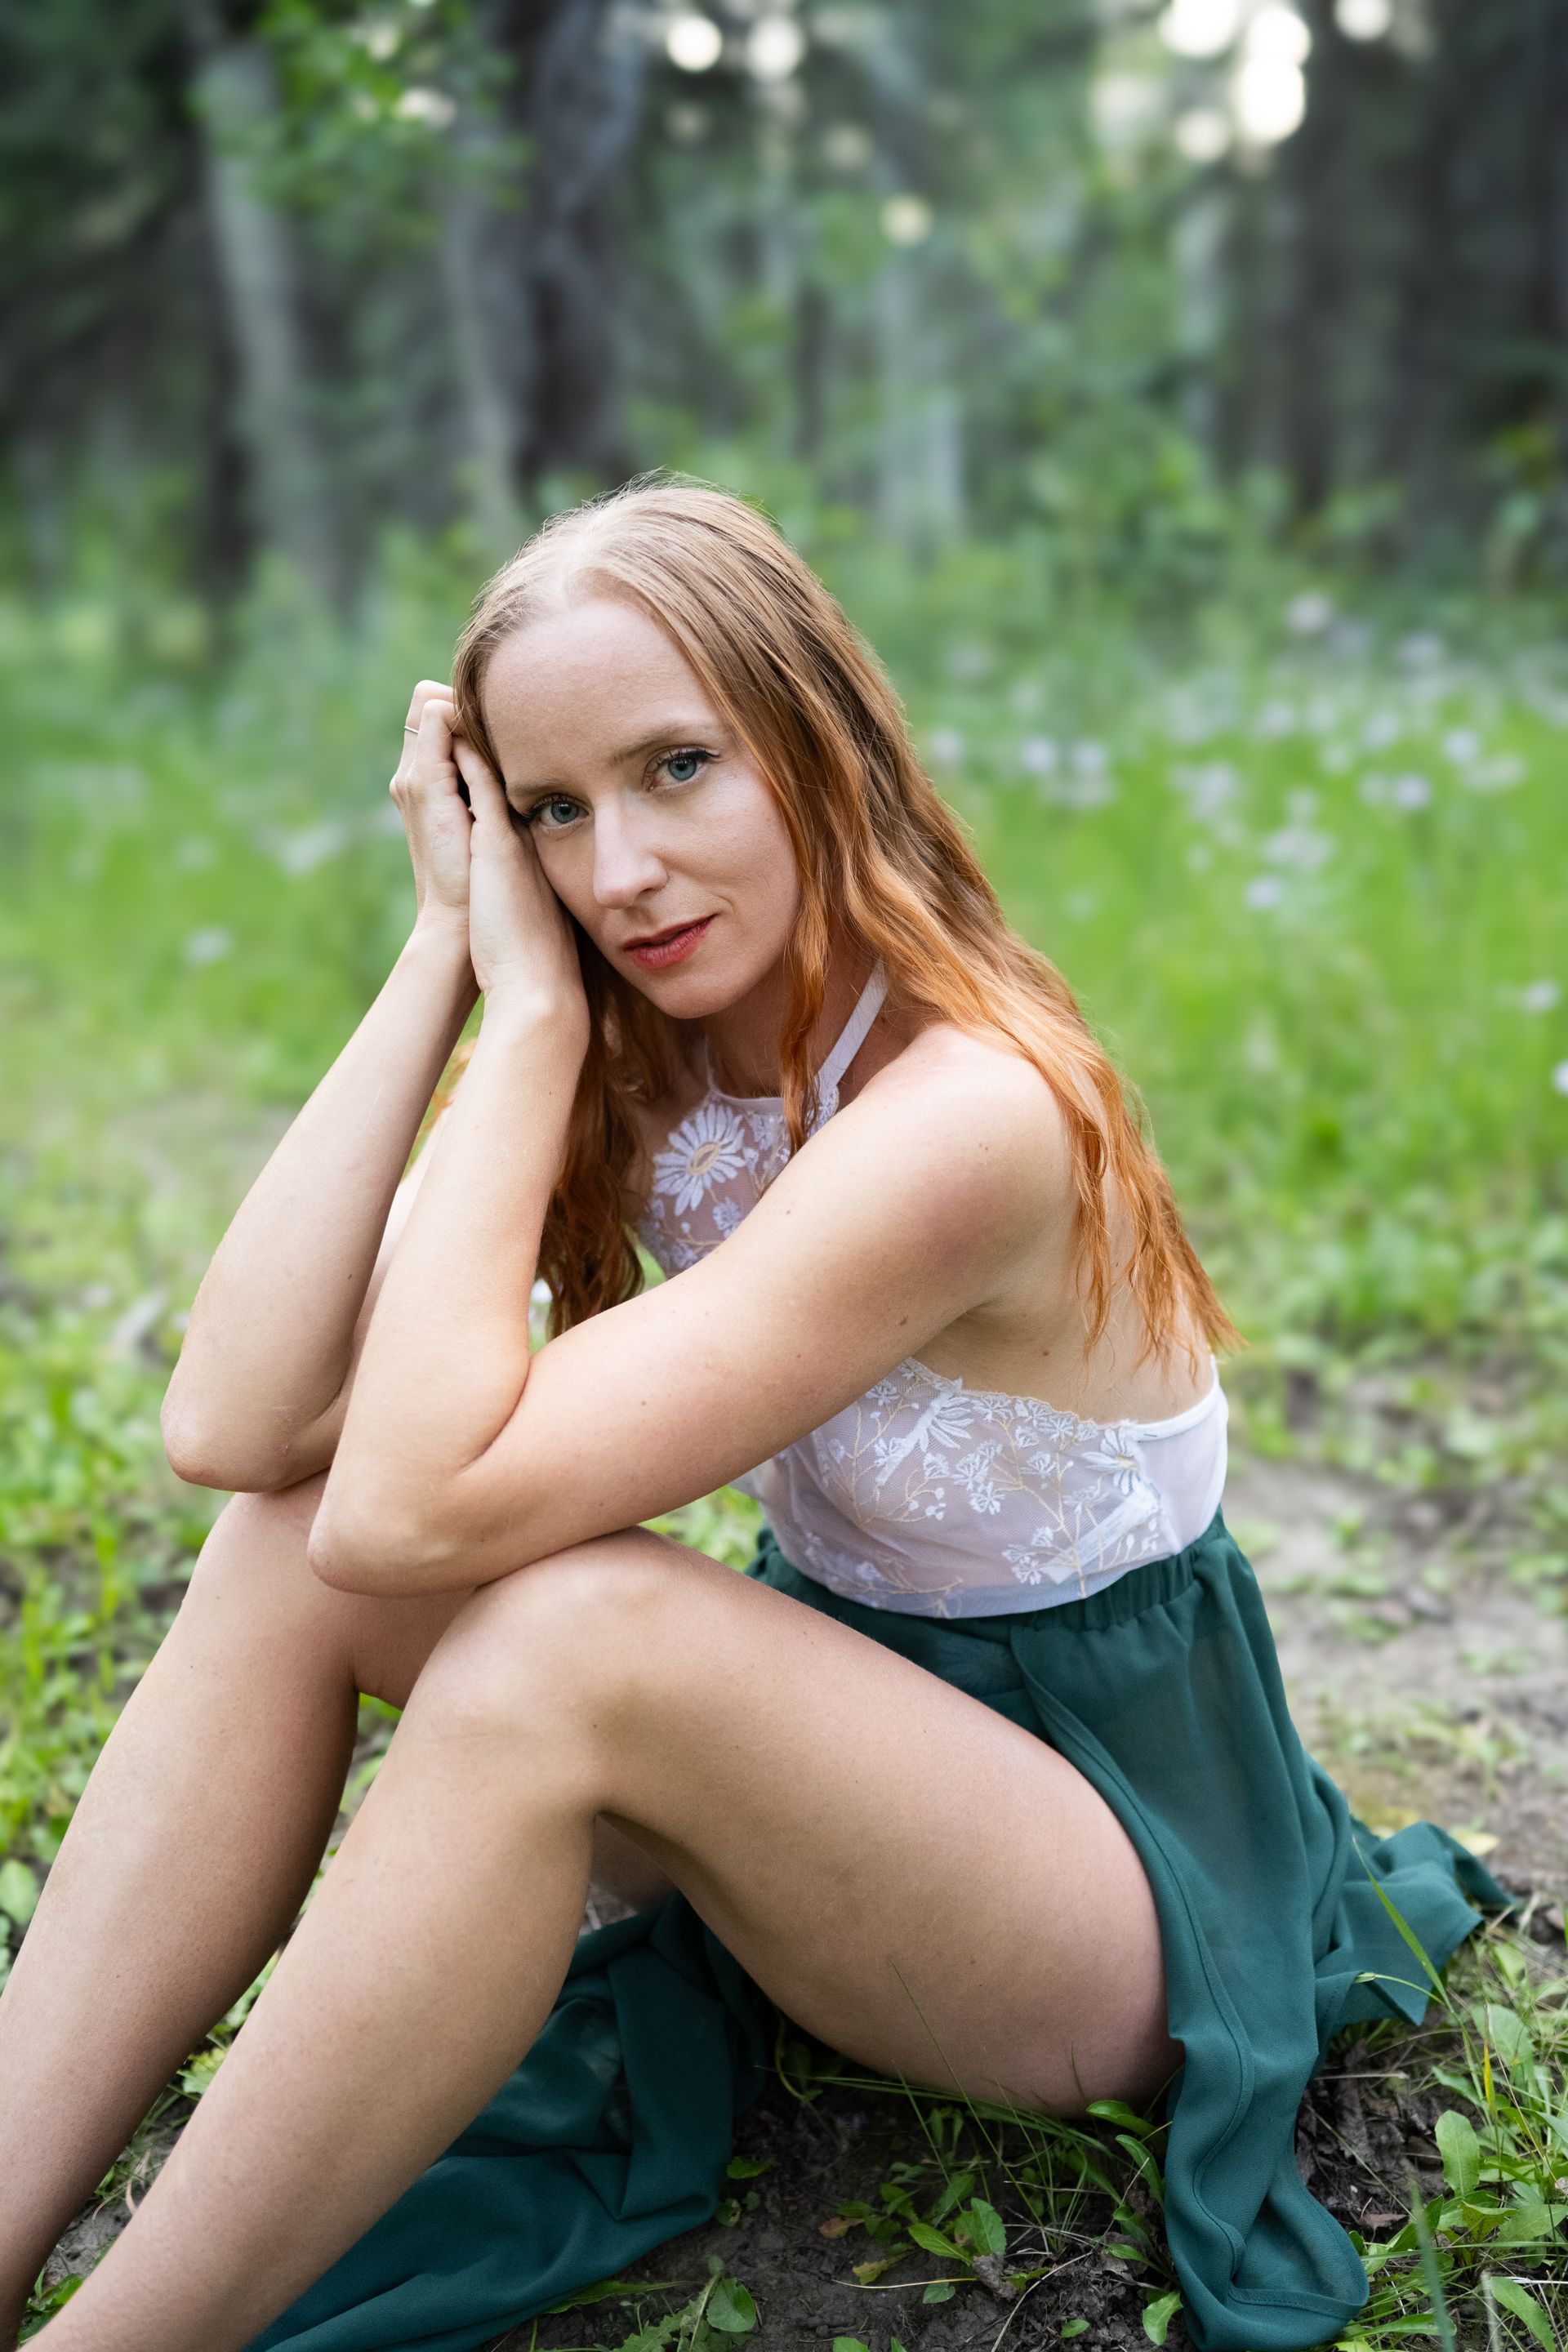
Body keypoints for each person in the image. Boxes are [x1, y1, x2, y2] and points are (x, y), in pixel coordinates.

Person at [0, 481, 1502, 2352]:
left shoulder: (966, 1115)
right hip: (847, 1776)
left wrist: (534, 1036)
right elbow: (236, 1424)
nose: (617, 868)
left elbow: (415, 1513)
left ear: (817, 745)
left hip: (1112, 1888)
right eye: (552, 810)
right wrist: (446, 965)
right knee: (278, 1544)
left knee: (573, 1633)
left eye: (677, 768)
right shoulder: (665, 1048)